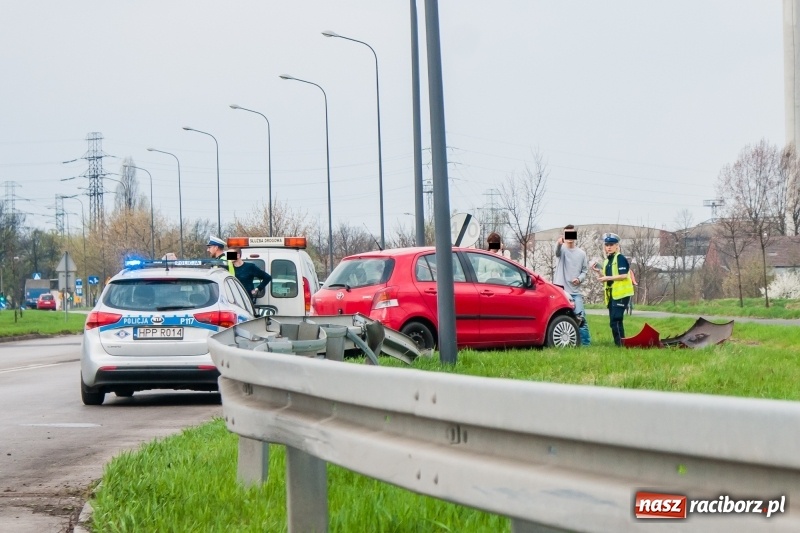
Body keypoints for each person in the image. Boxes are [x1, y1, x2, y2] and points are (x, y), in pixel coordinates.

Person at [594, 233, 634, 347]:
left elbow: (623, 276)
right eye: (607, 245)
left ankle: (621, 344)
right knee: (614, 321)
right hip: (612, 295)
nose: (609, 247)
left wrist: (607, 278)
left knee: (615, 320)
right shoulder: (607, 261)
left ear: (617, 246)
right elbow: (607, 277)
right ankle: (621, 343)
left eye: (611, 244)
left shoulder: (620, 258)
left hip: (621, 294)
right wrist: (599, 272)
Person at [553, 224, 590, 346]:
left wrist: (579, 279)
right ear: (563, 236)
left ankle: (585, 344)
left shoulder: (581, 253)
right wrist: (559, 243)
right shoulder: (561, 249)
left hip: (575, 292)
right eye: (566, 234)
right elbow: (556, 252)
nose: (569, 237)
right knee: (557, 319)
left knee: (581, 319)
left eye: (571, 234)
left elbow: (585, 270)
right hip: (560, 292)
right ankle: (560, 342)